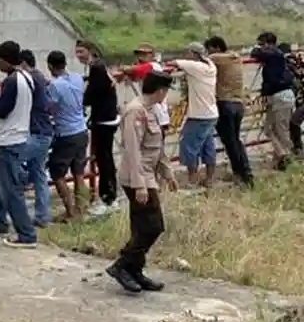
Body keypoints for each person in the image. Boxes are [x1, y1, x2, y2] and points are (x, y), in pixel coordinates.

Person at [107, 71, 175, 294]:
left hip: (148, 174)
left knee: (141, 226)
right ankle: (122, 265)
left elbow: (156, 147)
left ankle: (135, 270)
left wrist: (167, 172)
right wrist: (139, 184)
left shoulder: (150, 110)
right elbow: (133, 150)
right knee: (154, 226)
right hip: (138, 176)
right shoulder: (135, 111)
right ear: (160, 90)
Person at [0, 41, 38, 249]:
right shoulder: (25, 78)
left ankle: (26, 235)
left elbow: (1, 110)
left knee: (11, 189)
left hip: (8, 140)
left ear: (3, 59)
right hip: (17, 136)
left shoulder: (12, 81)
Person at [76, 40, 120, 216]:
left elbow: (89, 96)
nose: (78, 56)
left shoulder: (97, 68)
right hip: (107, 118)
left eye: (81, 52)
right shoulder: (99, 67)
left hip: (103, 120)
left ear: (91, 51)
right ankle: (110, 197)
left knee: (104, 160)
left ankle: (108, 199)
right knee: (105, 159)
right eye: (77, 52)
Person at [45, 51, 90, 221]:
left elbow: (48, 106)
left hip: (66, 134)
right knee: (79, 173)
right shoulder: (77, 77)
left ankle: (70, 212)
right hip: (82, 130)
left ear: (50, 66)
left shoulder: (55, 86)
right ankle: (82, 208)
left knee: (57, 173)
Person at [167, 43, 219, 188]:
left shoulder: (195, 67)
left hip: (199, 115)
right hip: (211, 113)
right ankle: (209, 179)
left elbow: (173, 63)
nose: (186, 55)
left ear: (194, 54)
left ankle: (192, 180)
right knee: (208, 146)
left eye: (188, 53)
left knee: (188, 145)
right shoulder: (210, 65)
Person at [204, 36, 253, 186]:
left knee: (230, 142)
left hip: (225, 104)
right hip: (238, 104)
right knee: (236, 140)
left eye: (209, 48)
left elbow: (198, 62)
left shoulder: (216, 58)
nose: (208, 52)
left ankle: (242, 175)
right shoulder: (236, 57)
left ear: (217, 47)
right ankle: (246, 172)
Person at [19, 50, 54, 227]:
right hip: (45, 132)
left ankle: (16, 215)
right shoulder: (41, 77)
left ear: (24, 64)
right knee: (39, 175)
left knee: (10, 166)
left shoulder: (29, 79)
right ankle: (42, 215)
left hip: (35, 133)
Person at [250, 32, 295, 170]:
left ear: (269, 44)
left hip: (281, 97)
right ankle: (282, 155)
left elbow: (255, 53)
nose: (260, 47)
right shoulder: (275, 55)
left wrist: (259, 49)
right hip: (277, 97)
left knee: (281, 130)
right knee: (269, 128)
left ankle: (287, 157)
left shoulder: (274, 54)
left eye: (262, 44)